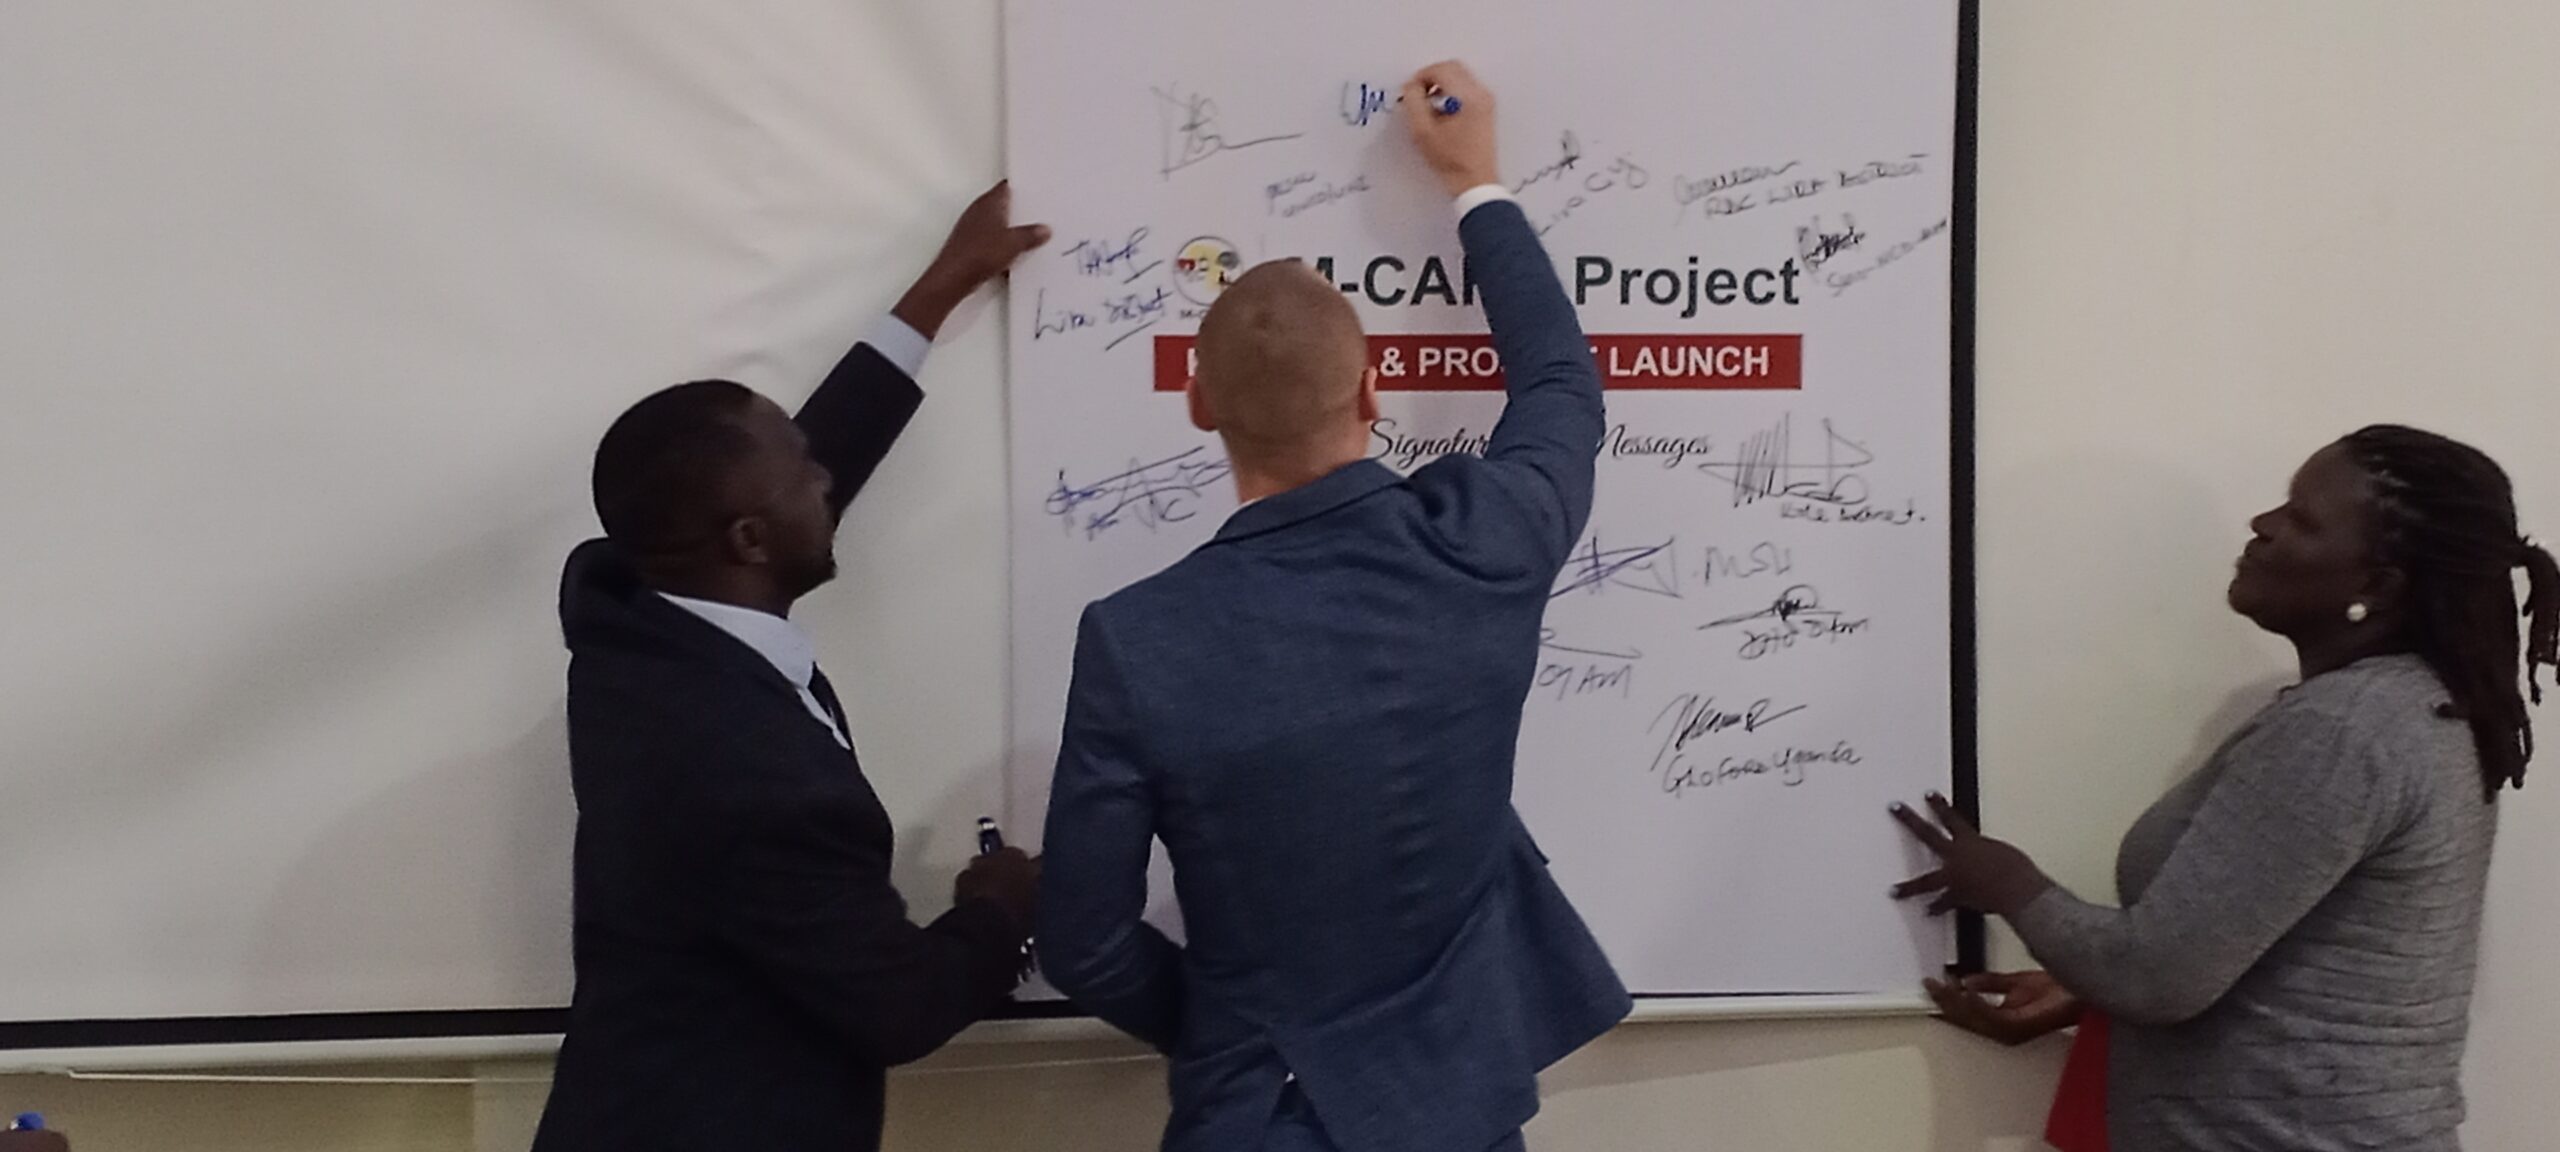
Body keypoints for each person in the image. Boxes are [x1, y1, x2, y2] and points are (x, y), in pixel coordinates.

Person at [1036, 62, 1631, 1152]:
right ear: (1369, 391)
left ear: (1197, 402)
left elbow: (1084, 944)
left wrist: (1234, 1035)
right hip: (1460, 1117)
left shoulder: (1135, 641)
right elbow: (1561, 388)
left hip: (1260, 1115)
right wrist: (1476, 183)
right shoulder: (1482, 543)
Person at [532, 184, 1051, 1152]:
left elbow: (804, 466)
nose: (825, 478)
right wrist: (998, 910)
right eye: (803, 472)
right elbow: (897, 1005)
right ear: (749, 540)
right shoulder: (750, 774)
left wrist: (939, 287)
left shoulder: (633, 623)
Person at [1893, 426, 2556, 1152]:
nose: (2263, 524)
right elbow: (2293, 944)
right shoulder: (2402, 708)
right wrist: (2087, 990)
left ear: (2377, 586)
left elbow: (2155, 978)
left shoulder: (2344, 728)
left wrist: (2009, 883)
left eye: (2302, 519)